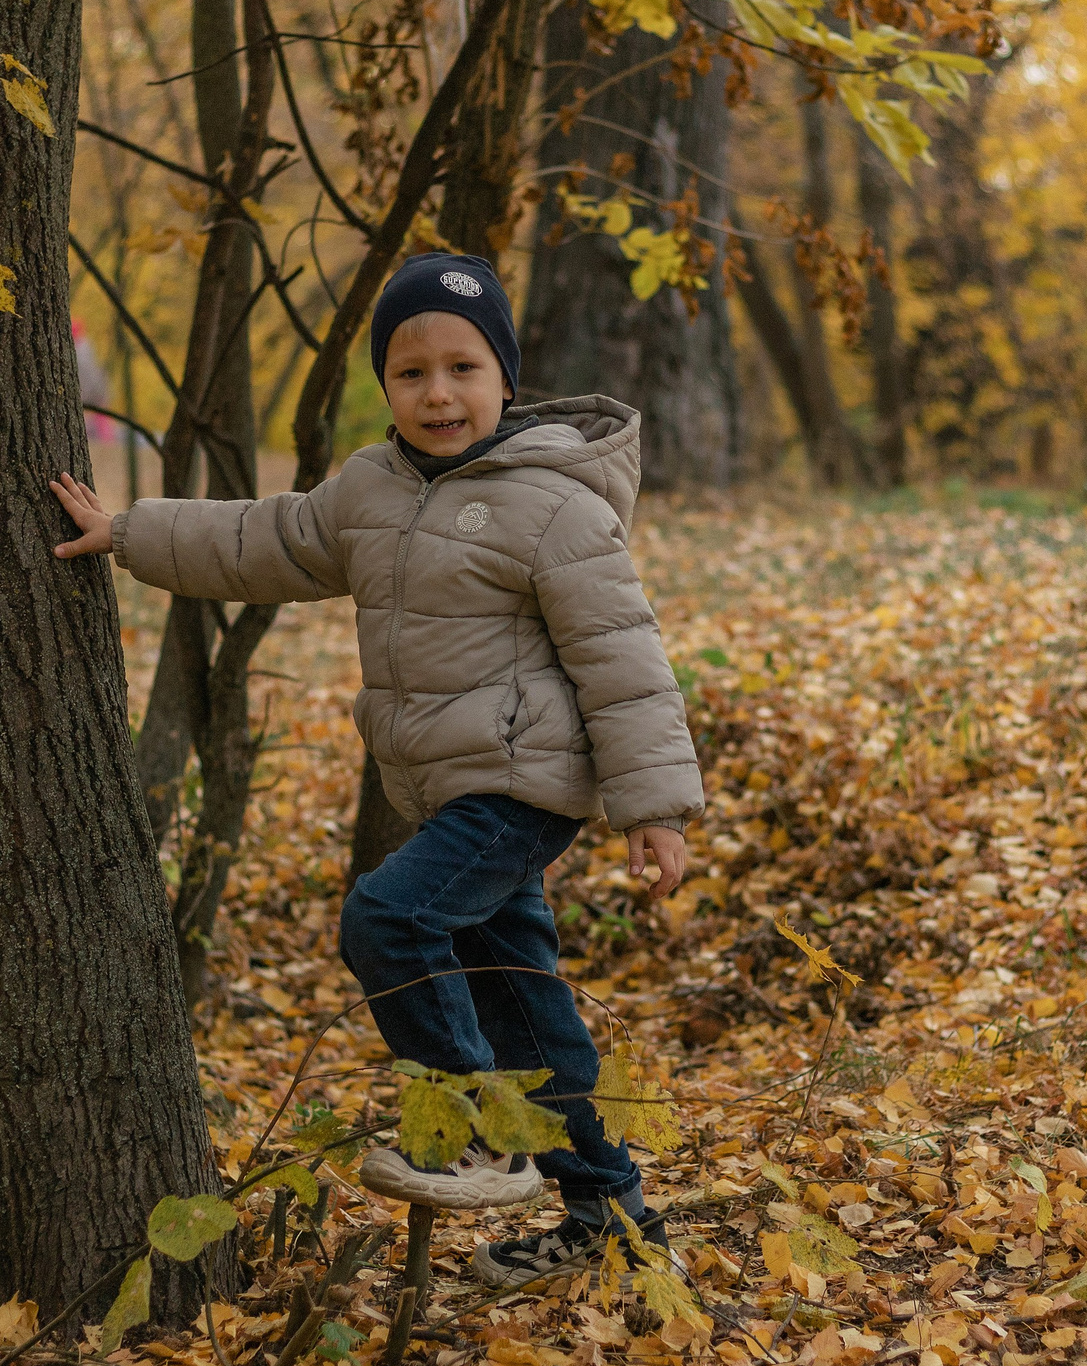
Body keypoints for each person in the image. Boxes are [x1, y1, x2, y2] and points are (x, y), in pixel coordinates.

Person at [48, 252, 703, 1286]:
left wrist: (655, 807)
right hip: (454, 789)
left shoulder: (556, 507)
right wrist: (126, 532)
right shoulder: (373, 490)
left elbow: (623, 665)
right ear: (386, 386)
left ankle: (476, 1135)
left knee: (389, 920)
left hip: (522, 787)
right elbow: (261, 539)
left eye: (462, 368)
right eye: (409, 373)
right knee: (528, 1009)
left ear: (504, 381)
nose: (437, 393)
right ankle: (610, 1220)